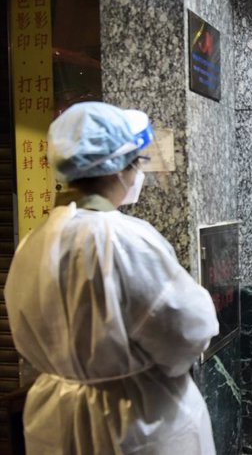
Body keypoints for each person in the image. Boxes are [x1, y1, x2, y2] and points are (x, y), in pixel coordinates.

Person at [4, 102, 219, 454]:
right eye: (139, 164)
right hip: (138, 420)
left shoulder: (34, 242)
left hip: (55, 419)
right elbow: (188, 330)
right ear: (120, 169)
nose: (139, 175)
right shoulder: (125, 241)